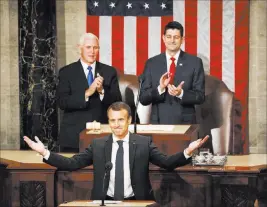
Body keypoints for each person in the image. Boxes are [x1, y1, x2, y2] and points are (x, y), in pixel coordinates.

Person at [24, 102, 209, 201]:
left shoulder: (143, 143)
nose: (116, 125)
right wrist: (45, 153)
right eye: (112, 120)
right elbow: (73, 163)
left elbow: (167, 163)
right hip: (105, 201)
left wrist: (187, 151)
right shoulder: (98, 145)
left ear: (129, 121)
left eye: (121, 120)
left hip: (136, 201)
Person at [57, 33, 122, 152]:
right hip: (73, 138)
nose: (92, 51)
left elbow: (117, 103)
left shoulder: (109, 71)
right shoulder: (66, 72)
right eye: (88, 47)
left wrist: (102, 91)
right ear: (79, 48)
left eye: (95, 47)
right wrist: (87, 92)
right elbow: (62, 102)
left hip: (102, 136)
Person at [140, 21, 205, 124]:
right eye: (169, 36)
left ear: (182, 39)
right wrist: (160, 88)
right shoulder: (151, 63)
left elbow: (200, 97)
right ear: (163, 38)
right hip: (158, 124)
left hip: (185, 124)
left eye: (176, 37)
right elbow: (143, 98)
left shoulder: (195, 63)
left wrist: (181, 93)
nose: (172, 40)